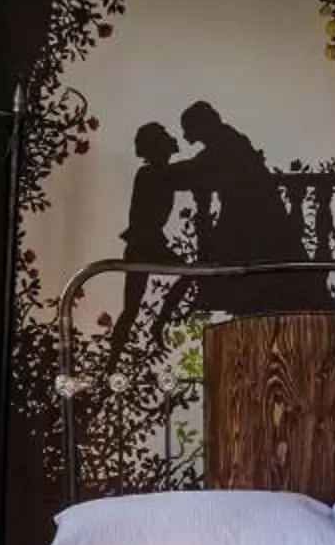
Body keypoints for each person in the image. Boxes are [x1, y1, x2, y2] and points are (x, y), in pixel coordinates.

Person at [176, 100, 300, 264]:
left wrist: (161, 171)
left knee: (218, 259)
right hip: (247, 215)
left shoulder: (226, 142)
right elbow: (200, 164)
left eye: (187, 128)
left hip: (251, 218)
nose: (185, 135)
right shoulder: (228, 139)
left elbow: (197, 167)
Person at [106, 121, 186, 355]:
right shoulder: (151, 173)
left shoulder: (160, 172)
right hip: (144, 243)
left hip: (147, 243)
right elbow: (180, 175)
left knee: (189, 274)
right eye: (164, 138)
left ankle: (158, 324)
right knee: (131, 308)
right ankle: (113, 362)